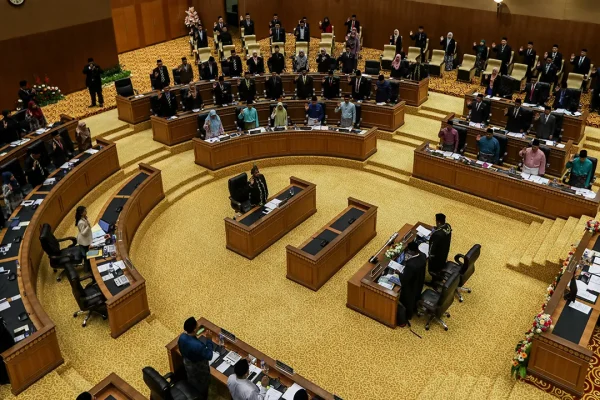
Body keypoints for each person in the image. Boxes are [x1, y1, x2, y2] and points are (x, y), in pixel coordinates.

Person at [178, 317, 213, 399]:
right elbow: (209, 356)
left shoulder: (182, 337)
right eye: (197, 326)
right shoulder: (197, 346)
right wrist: (209, 340)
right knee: (203, 389)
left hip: (188, 367)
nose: (198, 326)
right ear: (194, 330)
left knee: (193, 382)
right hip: (200, 372)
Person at [397, 241, 427, 326]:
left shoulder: (411, 264)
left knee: (408, 301)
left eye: (408, 251)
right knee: (415, 297)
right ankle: (413, 309)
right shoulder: (423, 255)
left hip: (410, 287)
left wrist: (399, 273)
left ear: (412, 251)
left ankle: (407, 316)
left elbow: (404, 279)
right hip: (419, 282)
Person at [428, 213, 452, 283]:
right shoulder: (448, 226)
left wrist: (430, 257)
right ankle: (440, 276)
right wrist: (437, 229)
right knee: (441, 265)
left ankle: (434, 282)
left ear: (438, 222)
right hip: (445, 251)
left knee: (432, 269)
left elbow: (432, 248)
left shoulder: (437, 234)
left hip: (437, 257)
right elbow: (443, 232)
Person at [75, 206, 92, 272]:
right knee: (86, 256)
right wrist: (87, 226)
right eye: (85, 211)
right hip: (83, 240)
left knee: (87, 254)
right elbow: (83, 233)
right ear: (81, 213)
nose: (86, 211)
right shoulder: (81, 222)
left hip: (86, 238)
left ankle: (88, 266)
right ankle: (87, 269)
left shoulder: (84, 218)